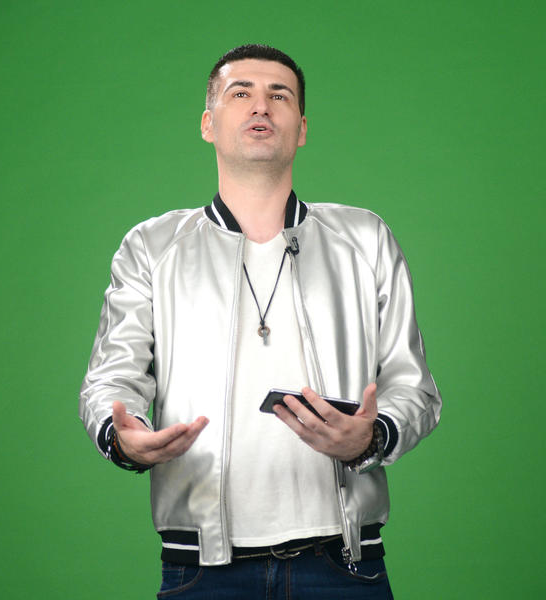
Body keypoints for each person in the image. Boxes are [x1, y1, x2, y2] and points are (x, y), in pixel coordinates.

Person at [79, 44, 441, 599]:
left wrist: (371, 438)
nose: (260, 106)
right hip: (201, 568)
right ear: (208, 124)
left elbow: (413, 387)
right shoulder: (152, 247)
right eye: (240, 93)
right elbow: (112, 377)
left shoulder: (365, 239)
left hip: (345, 563)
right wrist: (121, 436)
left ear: (301, 129)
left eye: (280, 95)